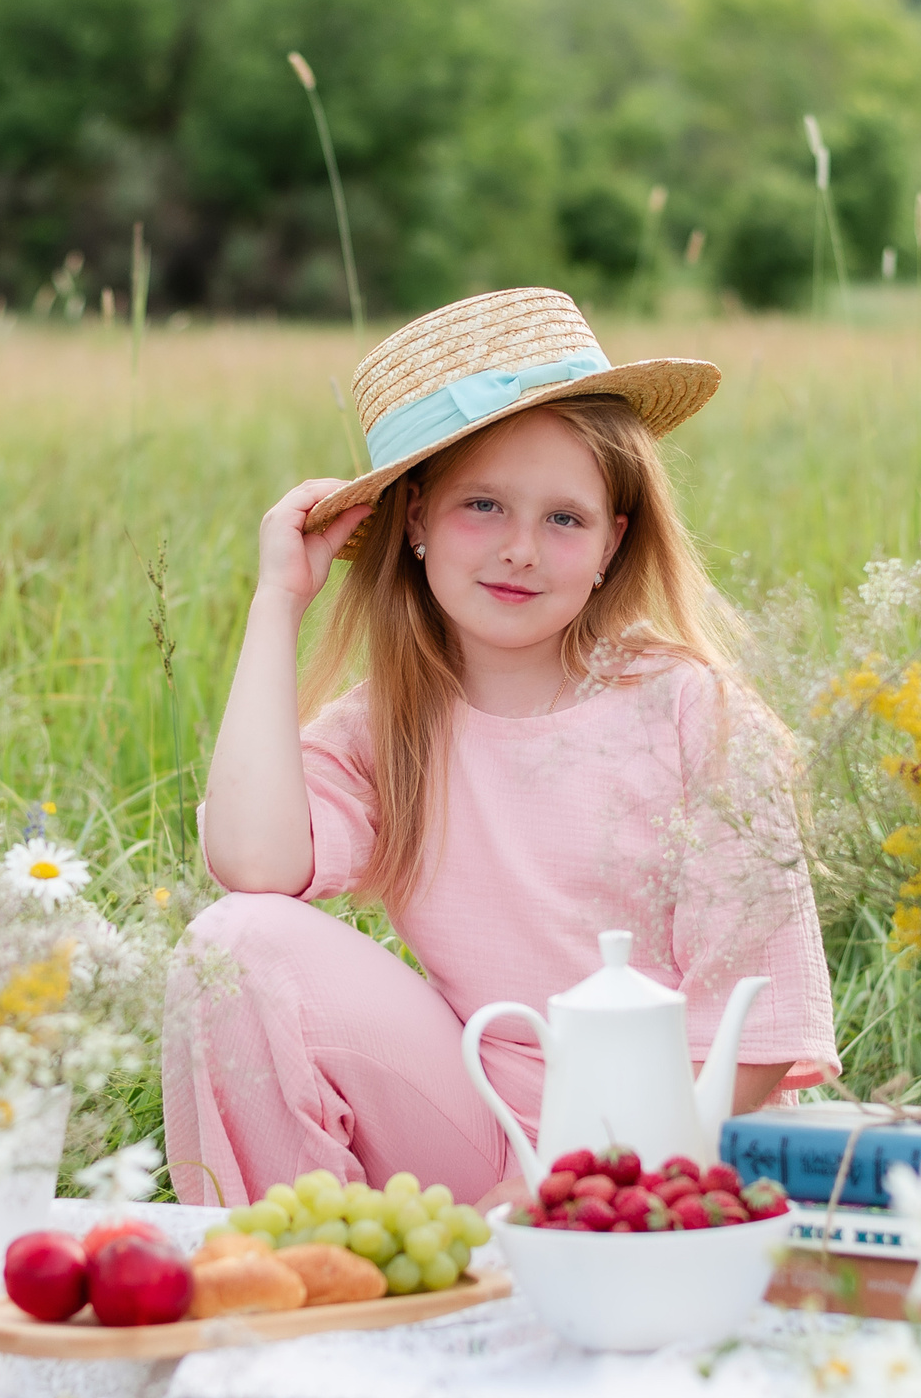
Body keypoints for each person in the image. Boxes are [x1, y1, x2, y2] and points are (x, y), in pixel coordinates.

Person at [164, 288, 839, 1210]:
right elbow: (252, 864)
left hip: (660, 1149)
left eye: (565, 518)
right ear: (413, 519)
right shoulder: (392, 722)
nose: (521, 549)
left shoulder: (696, 713)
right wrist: (277, 601)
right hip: (471, 1120)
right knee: (234, 944)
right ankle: (306, 1267)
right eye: (482, 504)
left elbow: (752, 1038)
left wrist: (572, 1187)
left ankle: (526, 1248)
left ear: (612, 543)